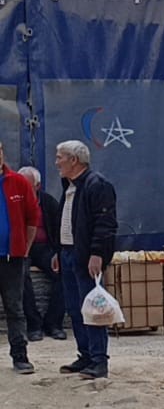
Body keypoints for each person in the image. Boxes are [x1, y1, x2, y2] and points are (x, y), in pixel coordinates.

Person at [50, 139, 117, 380]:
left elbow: (105, 223)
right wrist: (59, 252)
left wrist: (97, 253)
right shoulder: (69, 187)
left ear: (73, 160)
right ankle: (85, 355)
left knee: (94, 309)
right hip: (68, 255)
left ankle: (99, 361)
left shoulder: (96, 185)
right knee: (76, 309)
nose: (56, 162)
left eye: (60, 157)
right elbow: (66, 223)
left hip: (86, 257)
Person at [0, 143, 44, 374]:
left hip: (12, 258)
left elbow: (32, 219)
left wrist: (24, 249)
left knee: (15, 308)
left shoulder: (18, 183)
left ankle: (20, 356)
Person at [18, 166, 67, 342]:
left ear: (37, 186)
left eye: (27, 186)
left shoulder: (48, 203)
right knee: (20, 276)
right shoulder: (13, 201)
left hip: (44, 247)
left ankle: (53, 323)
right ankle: (34, 325)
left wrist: (58, 254)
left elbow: (62, 230)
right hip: (21, 247)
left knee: (64, 273)